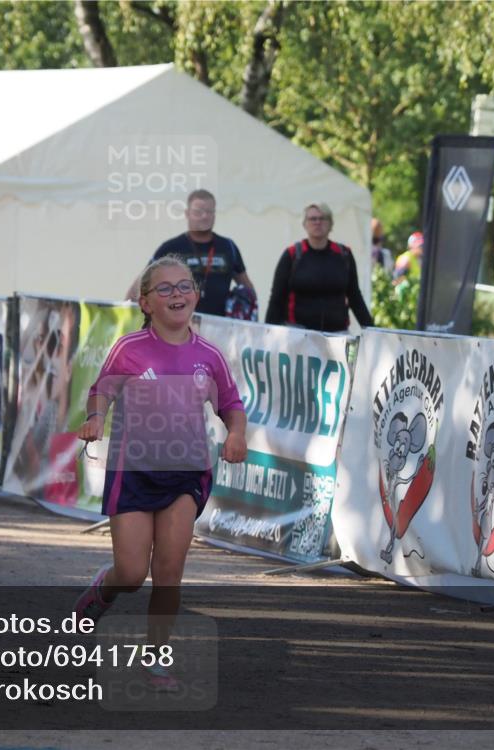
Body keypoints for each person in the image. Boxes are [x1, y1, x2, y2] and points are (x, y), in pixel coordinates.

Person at [77, 255, 247, 690]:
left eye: (184, 286)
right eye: (165, 289)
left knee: (169, 570)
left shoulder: (208, 355)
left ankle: (155, 658)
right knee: (132, 574)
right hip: (133, 471)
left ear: (196, 294)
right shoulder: (129, 349)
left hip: (187, 472)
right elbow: (101, 392)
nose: (177, 295)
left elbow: (230, 403)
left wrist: (235, 434)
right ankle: (104, 589)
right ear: (145, 302)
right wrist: (96, 418)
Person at [125, 189, 255, 316]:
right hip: (179, 329)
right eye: (198, 212)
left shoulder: (228, 247)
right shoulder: (170, 248)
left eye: (209, 211)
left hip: (220, 329)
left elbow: (249, 291)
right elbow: (136, 291)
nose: (204, 216)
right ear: (187, 213)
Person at [264, 202, 374, 332]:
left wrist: (372, 331)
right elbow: (277, 297)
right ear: (305, 224)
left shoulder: (344, 255)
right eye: (312, 219)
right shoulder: (292, 255)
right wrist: (268, 332)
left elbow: (355, 296)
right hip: (297, 334)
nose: (317, 222)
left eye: (322, 218)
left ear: (330, 224)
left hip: (337, 335)